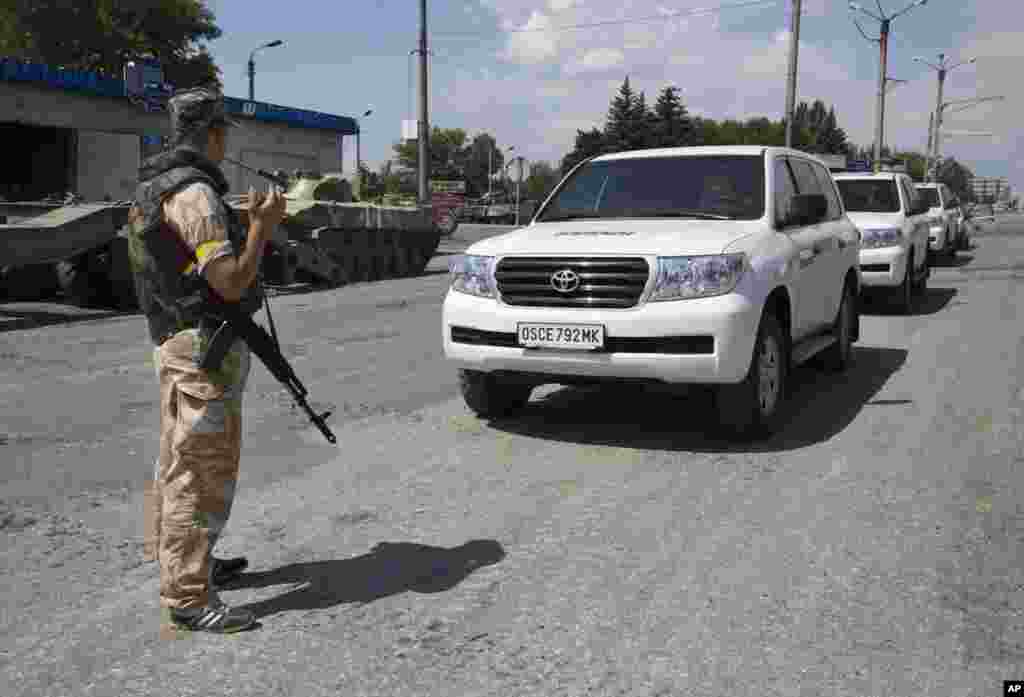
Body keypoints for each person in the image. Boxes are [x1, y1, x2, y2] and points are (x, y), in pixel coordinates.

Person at [132, 86, 286, 634]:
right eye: (224, 134)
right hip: (202, 350)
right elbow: (228, 280)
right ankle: (191, 596)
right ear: (212, 135)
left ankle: (188, 561)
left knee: (179, 460)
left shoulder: (157, 187)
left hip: (176, 342)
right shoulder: (196, 194)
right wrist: (263, 229)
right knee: (201, 471)